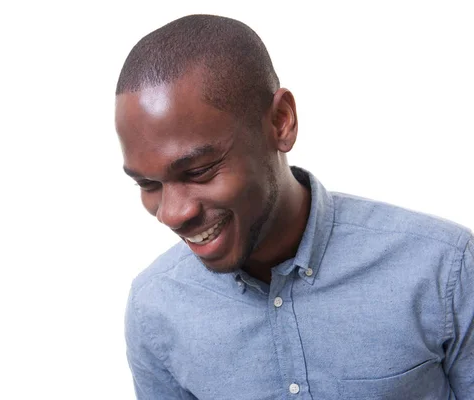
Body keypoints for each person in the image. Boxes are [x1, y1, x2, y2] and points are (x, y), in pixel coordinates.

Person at [114, 14, 473, 400]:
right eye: (148, 184)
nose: (172, 213)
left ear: (281, 122)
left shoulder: (442, 268)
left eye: (199, 171)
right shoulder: (155, 309)